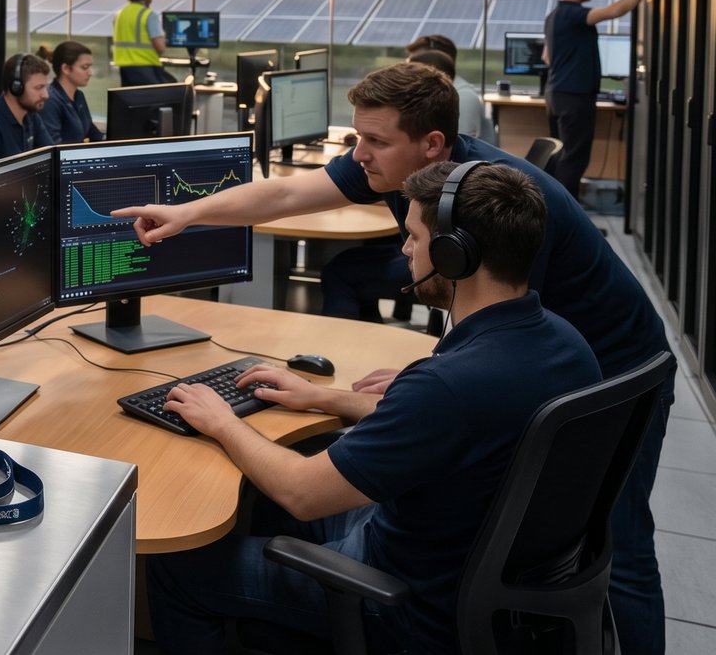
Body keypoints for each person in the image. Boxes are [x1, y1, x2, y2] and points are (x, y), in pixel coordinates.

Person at [112, 61, 673, 649]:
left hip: (621, 363)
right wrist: (189, 213)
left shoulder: (495, 208)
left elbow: (462, 395)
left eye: (375, 141)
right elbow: (284, 193)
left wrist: (225, 419)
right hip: (545, 371)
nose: (359, 154)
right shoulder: (467, 227)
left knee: (623, 545)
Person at [147, 161, 601, 652]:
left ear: (454, 255)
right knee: (261, 499)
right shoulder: (567, 343)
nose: (405, 249)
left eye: (415, 237)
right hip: (474, 575)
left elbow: (302, 493)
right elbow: (457, 426)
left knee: (176, 567)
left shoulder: (446, 386)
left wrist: (222, 421)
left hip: (404, 604)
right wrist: (324, 397)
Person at [543, 0, 653, 196]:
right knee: (573, 160)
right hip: (574, 97)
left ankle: (552, 207)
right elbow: (615, 10)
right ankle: (568, 212)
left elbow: (547, 57)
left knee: (559, 156)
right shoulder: (573, 14)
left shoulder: (553, 16)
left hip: (556, 95)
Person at [405, 33, 491, 142]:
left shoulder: (464, 97)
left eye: (416, 64)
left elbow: (459, 147)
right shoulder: (429, 95)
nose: (407, 71)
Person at [36, 40, 103, 144]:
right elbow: (53, 147)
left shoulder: (79, 96)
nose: (90, 73)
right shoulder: (50, 100)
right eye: (85, 67)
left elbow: (93, 132)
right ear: (66, 68)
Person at [111, 0, 171, 86]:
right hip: (146, 69)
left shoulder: (119, 15)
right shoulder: (148, 15)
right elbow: (160, 47)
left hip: (125, 70)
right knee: (173, 89)